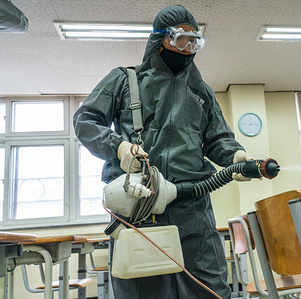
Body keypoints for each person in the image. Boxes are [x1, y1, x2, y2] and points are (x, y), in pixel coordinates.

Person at [73, 4, 253, 299]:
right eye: (180, 39)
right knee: (143, 291)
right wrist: (119, 148)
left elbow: (219, 138)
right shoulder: (124, 81)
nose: (188, 48)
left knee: (208, 289)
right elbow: (85, 120)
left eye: (195, 41)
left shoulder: (201, 92)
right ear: (159, 39)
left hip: (192, 207)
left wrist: (235, 157)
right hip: (138, 206)